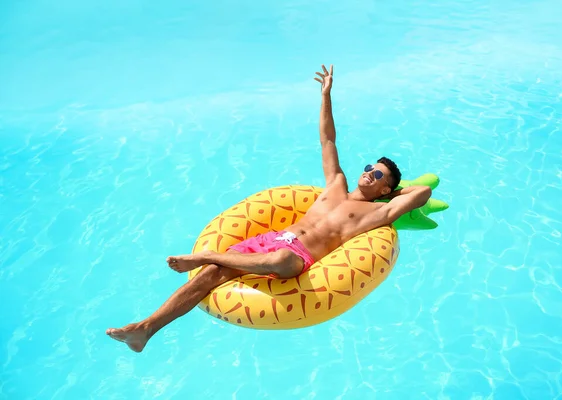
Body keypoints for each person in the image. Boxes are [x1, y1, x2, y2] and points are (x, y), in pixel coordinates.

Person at [106, 64, 432, 352]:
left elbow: (422, 191)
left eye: (376, 175)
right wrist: (326, 94)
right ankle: (145, 329)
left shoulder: (376, 214)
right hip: (273, 241)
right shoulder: (335, 184)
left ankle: (204, 256)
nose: (367, 173)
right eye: (368, 167)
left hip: (296, 258)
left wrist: (395, 191)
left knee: (280, 258)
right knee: (210, 277)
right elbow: (328, 140)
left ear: (385, 189)